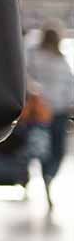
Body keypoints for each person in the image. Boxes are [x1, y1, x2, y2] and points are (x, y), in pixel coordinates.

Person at [28, 21, 74, 209]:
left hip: (60, 111)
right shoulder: (34, 56)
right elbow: (28, 80)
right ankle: (46, 177)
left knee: (58, 150)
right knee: (43, 148)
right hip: (42, 112)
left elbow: (70, 83)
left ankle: (49, 176)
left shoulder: (61, 58)